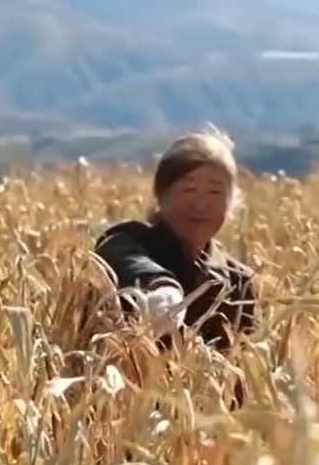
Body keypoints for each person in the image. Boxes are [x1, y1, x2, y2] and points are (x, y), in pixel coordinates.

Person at [94, 125, 258, 349]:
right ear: (161, 195)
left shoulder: (238, 281)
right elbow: (128, 262)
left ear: (231, 202)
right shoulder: (127, 240)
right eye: (189, 190)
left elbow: (245, 358)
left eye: (215, 192)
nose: (201, 204)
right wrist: (162, 289)